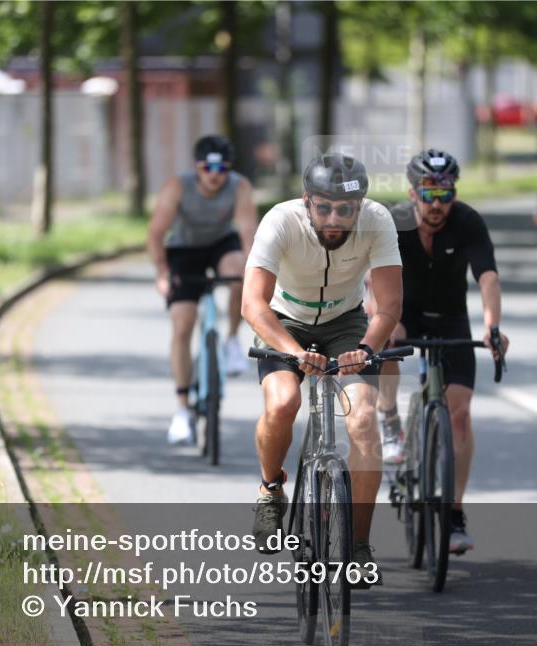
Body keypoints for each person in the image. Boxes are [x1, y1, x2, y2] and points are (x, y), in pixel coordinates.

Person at [241, 152, 403, 587]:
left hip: (346, 323)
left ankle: (358, 545)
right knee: (284, 400)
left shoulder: (378, 221)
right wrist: (294, 351)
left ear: (360, 205)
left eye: (346, 209)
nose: (334, 219)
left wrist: (367, 350)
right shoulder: (280, 221)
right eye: (324, 207)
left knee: (364, 419)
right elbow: (252, 304)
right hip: (284, 322)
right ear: (306, 200)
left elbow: (388, 305)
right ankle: (270, 489)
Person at [369, 148, 509, 555]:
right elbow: (371, 276)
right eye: (428, 193)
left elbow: (488, 277)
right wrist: (384, 316)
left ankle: (453, 513)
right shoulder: (392, 222)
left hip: (450, 319)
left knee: (460, 416)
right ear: (412, 193)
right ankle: (390, 420)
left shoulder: (467, 221)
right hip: (400, 311)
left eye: (445, 193)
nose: (436, 203)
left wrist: (493, 326)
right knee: (386, 343)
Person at [148, 135, 258, 445]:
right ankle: (182, 410)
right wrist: (162, 273)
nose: (215, 174)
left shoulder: (239, 187)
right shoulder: (178, 186)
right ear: (197, 167)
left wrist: (254, 273)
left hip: (222, 246)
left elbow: (249, 234)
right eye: (208, 167)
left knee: (240, 273)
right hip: (184, 250)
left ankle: (233, 340)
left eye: (222, 167)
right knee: (183, 324)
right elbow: (156, 233)